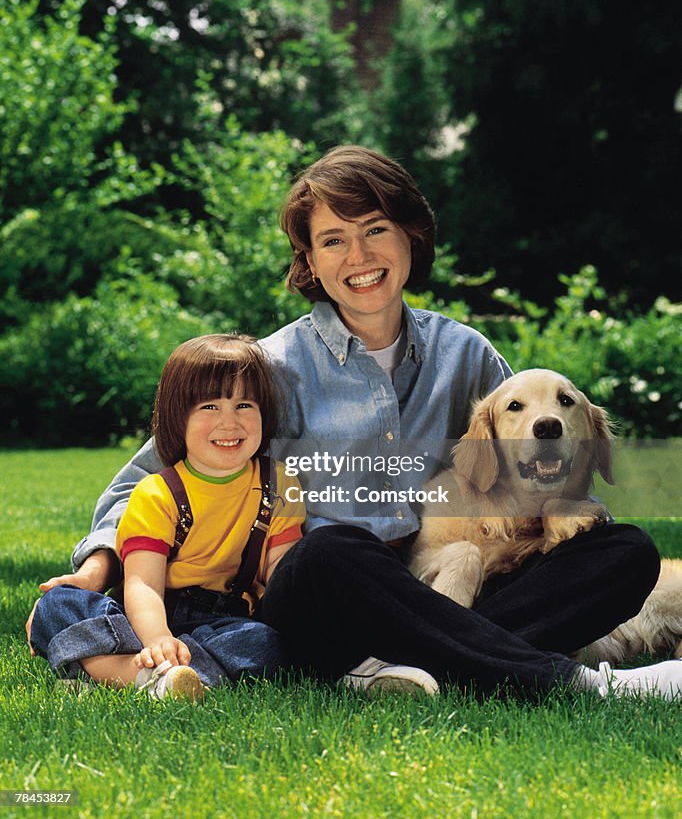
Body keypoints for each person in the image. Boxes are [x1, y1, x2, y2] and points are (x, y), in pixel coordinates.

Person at [28, 146, 682, 700]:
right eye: (332, 239)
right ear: (310, 261)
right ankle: (579, 683)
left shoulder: (469, 356)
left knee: (624, 552)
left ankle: (404, 668)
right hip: (324, 593)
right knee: (334, 549)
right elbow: (148, 479)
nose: (358, 255)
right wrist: (96, 568)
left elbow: (528, 461)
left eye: (374, 229)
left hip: (453, 586)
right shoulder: (271, 367)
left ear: (409, 237)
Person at [30, 334, 304, 699]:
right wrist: (158, 638)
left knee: (264, 643)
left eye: (244, 405)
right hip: (146, 613)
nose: (229, 423)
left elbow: (281, 570)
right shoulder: (157, 492)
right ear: (177, 416)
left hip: (224, 621)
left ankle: (119, 673)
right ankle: (144, 675)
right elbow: (142, 584)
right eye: (210, 407)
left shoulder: (278, 483)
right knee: (61, 603)